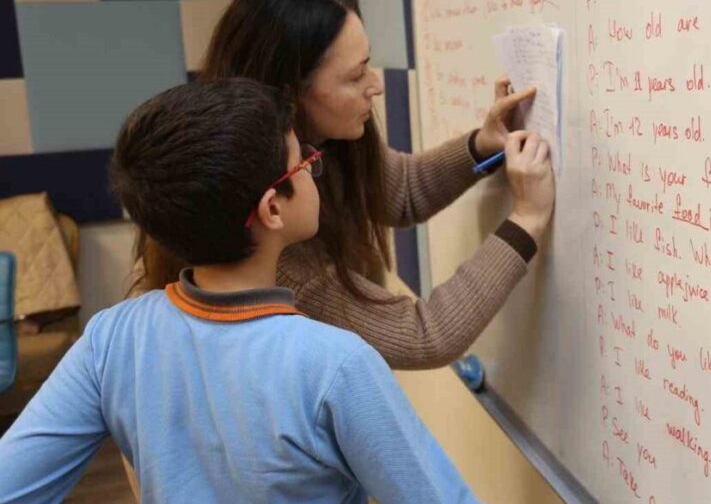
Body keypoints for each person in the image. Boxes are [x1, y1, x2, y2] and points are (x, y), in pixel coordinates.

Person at [0, 79, 540, 501]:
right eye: (304, 161)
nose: (315, 169)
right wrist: (530, 215)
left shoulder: (110, 338)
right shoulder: (337, 366)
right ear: (272, 208)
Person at [137, 0, 556, 369]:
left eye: (368, 63)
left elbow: (401, 192)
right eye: (355, 77)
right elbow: (424, 336)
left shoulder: (327, 138)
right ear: (291, 94)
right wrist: (526, 219)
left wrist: (481, 144)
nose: (375, 85)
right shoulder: (272, 255)